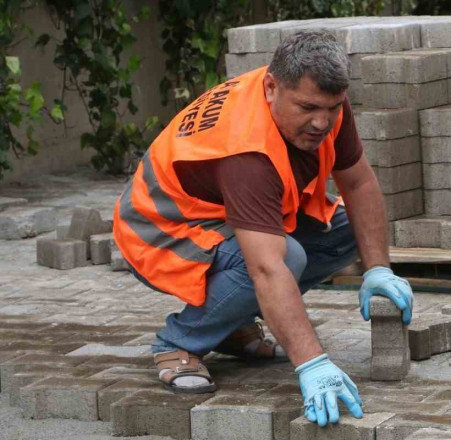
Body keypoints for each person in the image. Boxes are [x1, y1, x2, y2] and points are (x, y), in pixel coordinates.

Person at [112, 30, 413, 427]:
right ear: (271, 87)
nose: (322, 123)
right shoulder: (247, 154)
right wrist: (312, 362)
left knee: (342, 229)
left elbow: (358, 183)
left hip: (222, 211)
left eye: (333, 108)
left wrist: (378, 269)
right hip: (161, 229)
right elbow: (267, 268)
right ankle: (179, 342)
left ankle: (230, 325)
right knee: (285, 257)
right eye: (308, 108)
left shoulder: (320, 101)